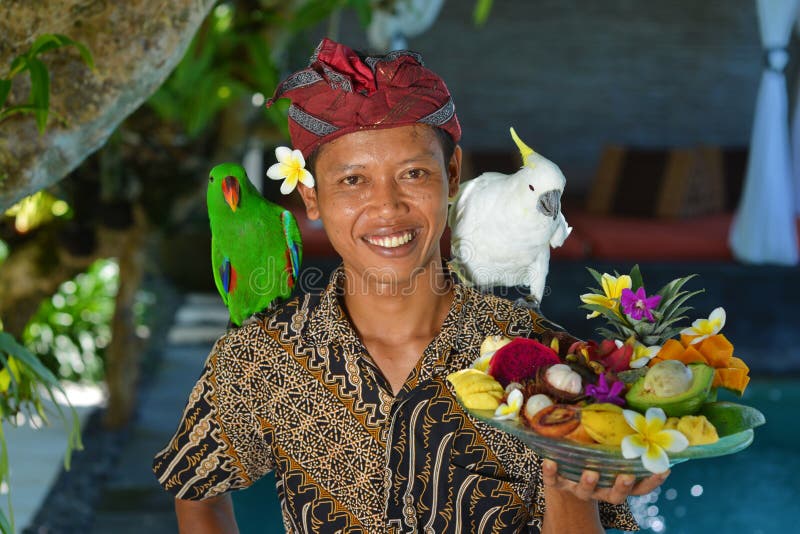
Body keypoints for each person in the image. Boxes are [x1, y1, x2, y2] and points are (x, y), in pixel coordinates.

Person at [153, 38, 667, 533]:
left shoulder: (545, 360)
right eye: (352, 180)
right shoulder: (263, 356)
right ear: (310, 199)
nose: (388, 208)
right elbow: (195, 491)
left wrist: (570, 475)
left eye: (415, 174)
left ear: (453, 176)